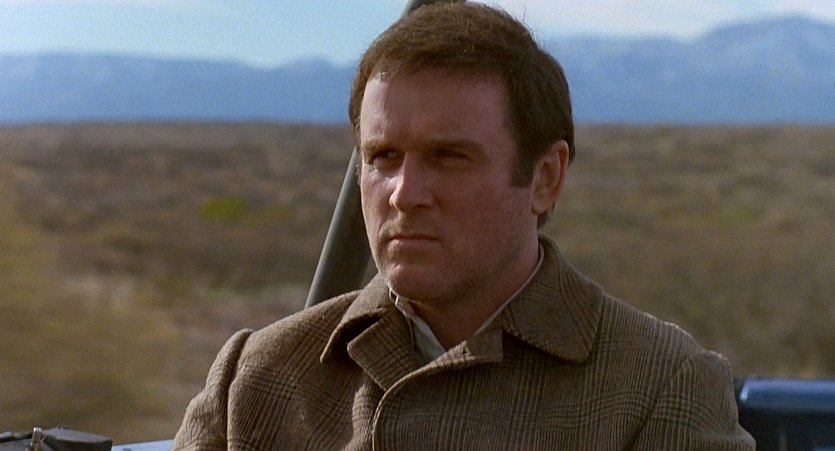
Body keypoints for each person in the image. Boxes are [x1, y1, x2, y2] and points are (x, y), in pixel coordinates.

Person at [174, 3, 755, 449]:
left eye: (449, 157)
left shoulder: (656, 387)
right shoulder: (260, 377)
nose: (405, 193)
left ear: (545, 177)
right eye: (383, 157)